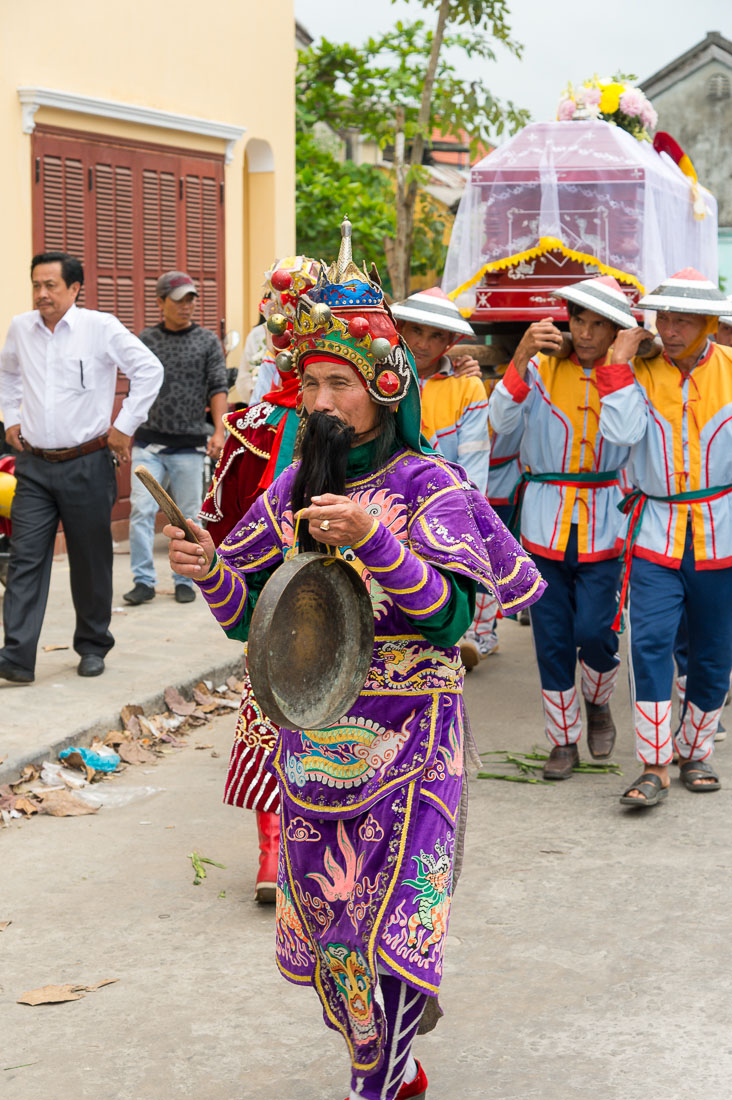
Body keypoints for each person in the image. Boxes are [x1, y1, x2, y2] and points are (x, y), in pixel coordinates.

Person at [166, 219, 545, 1100]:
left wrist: (379, 544)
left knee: (394, 925)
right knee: (338, 944)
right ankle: (391, 1062)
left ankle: (375, 1082)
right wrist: (211, 568)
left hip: (414, 743)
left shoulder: (429, 489)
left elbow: (451, 619)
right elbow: (250, 625)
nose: (322, 403)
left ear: (383, 389)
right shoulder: (291, 493)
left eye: (340, 383)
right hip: (312, 742)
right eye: (311, 385)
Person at [199, 256, 320, 904]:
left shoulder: (356, 427)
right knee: (273, 716)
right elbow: (218, 529)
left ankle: (302, 850)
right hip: (277, 598)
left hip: (342, 587)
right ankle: (275, 851)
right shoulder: (253, 428)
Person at [489, 276, 636, 779]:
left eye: (600, 324)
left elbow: (624, 434)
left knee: (596, 633)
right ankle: (562, 741)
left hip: (606, 523)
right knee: (551, 639)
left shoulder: (629, 372)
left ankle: (598, 702)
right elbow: (502, 423)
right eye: (579, 320)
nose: (588, 333)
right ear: (567, 320)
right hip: (543, 521)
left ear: (617, 330)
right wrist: (520, 356)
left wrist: (620, 367)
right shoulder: (541, 367)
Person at [597, 268, 732, 807]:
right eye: (664, 318)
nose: (670, 330)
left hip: (720, 531)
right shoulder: (637, 371)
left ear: (708, 324)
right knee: (649, 644)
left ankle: (696, 751)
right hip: (654, 531)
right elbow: (621, 434)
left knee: (713, 651)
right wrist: (618, 365)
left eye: (683, 320)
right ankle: (654, 763)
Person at [0, 252, 163, 683]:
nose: (41, 294)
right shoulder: (21, 328)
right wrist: (10, 418)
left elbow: (149, 370)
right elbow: (7, 374)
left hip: (87, 463)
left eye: (51, 285)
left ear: (74, 289)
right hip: (34, 465)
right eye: (36, 285)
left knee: (90, 560)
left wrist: (124, 426)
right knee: (25, 559)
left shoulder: (100, 328)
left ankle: (92, 645)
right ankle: (16, 656)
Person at [391, 287, 494, 669]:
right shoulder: (379, 377)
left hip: (442, 503)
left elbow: (473, 462)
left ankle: (452, 641)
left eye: (436, 335)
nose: (422, 343)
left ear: (450, 341)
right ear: (399, 327)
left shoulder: (467, 386)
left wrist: (468, 512)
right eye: (415, 330)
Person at [123, 271, 228, 606]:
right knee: (140, 510)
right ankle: (143, 580)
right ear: (160, 302)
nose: (187, 306)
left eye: (191, 299)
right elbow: (136, 388)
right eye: (179, 299)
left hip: (189, 446)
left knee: (188, 516)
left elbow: (218, 387)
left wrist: (220, 430)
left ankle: (185, 578)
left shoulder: (207, 341)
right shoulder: (146, 340)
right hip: (148, 443)